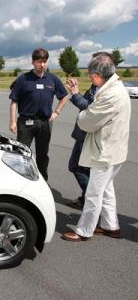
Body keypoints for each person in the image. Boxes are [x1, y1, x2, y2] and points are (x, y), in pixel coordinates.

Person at [62, 52, 131, 242]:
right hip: (111, 150)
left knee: (93, 193)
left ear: (96, 75)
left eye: (91, 74)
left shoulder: (111, 94)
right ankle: (111, 226)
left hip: (105, 151)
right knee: (107, 190)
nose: (90, 78)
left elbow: (87, 121)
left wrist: (81, 116)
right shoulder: (113, 88)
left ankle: (84, 230)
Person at [9, 48, 68, 181]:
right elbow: (14, 101)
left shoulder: (52, 79)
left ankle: (42, 181)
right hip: (26, 123)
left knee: (43, 155)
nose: (42, 64)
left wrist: (56, 112)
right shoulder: (23, 79)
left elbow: (64, 96)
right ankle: (19, 180)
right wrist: (12, 122)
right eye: (39, 61)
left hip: (44, 123)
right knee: (21, 154)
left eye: (45, 61)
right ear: (33, 62)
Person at [65, 78, 96, 206]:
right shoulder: (96, 86)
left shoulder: (101, 88)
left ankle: (93, 199)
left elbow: (89, 108)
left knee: (76, 167)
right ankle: (85, 199)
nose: (88, 74)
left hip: (87, 136)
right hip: (83, 134)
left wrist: (75, 93)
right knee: (85, 170)